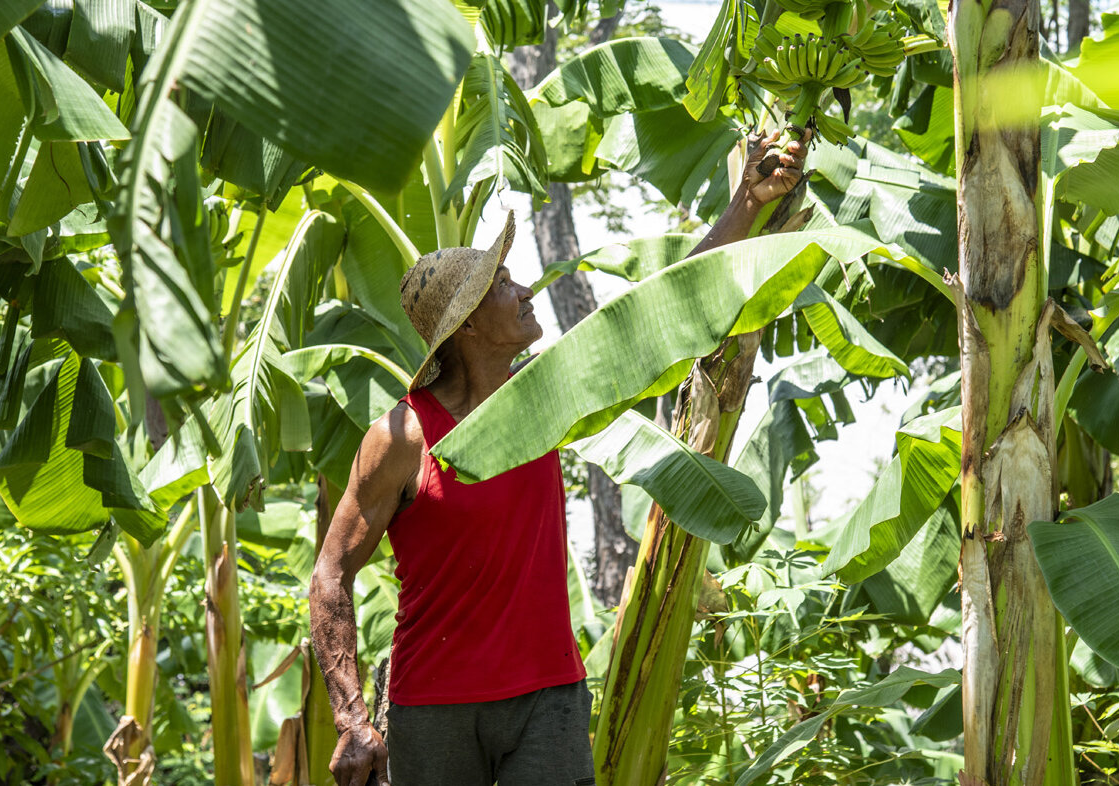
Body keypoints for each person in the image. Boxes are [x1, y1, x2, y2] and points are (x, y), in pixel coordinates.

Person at [308, 130, 809, 786]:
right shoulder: (402, 437)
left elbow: (663, 312)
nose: (524, 292)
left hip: (549, 700)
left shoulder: (545, 393)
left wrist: (746, 200)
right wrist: (351, 717)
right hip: (433, 707)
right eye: (502, 285)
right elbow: (331, 575)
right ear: (464, 327)